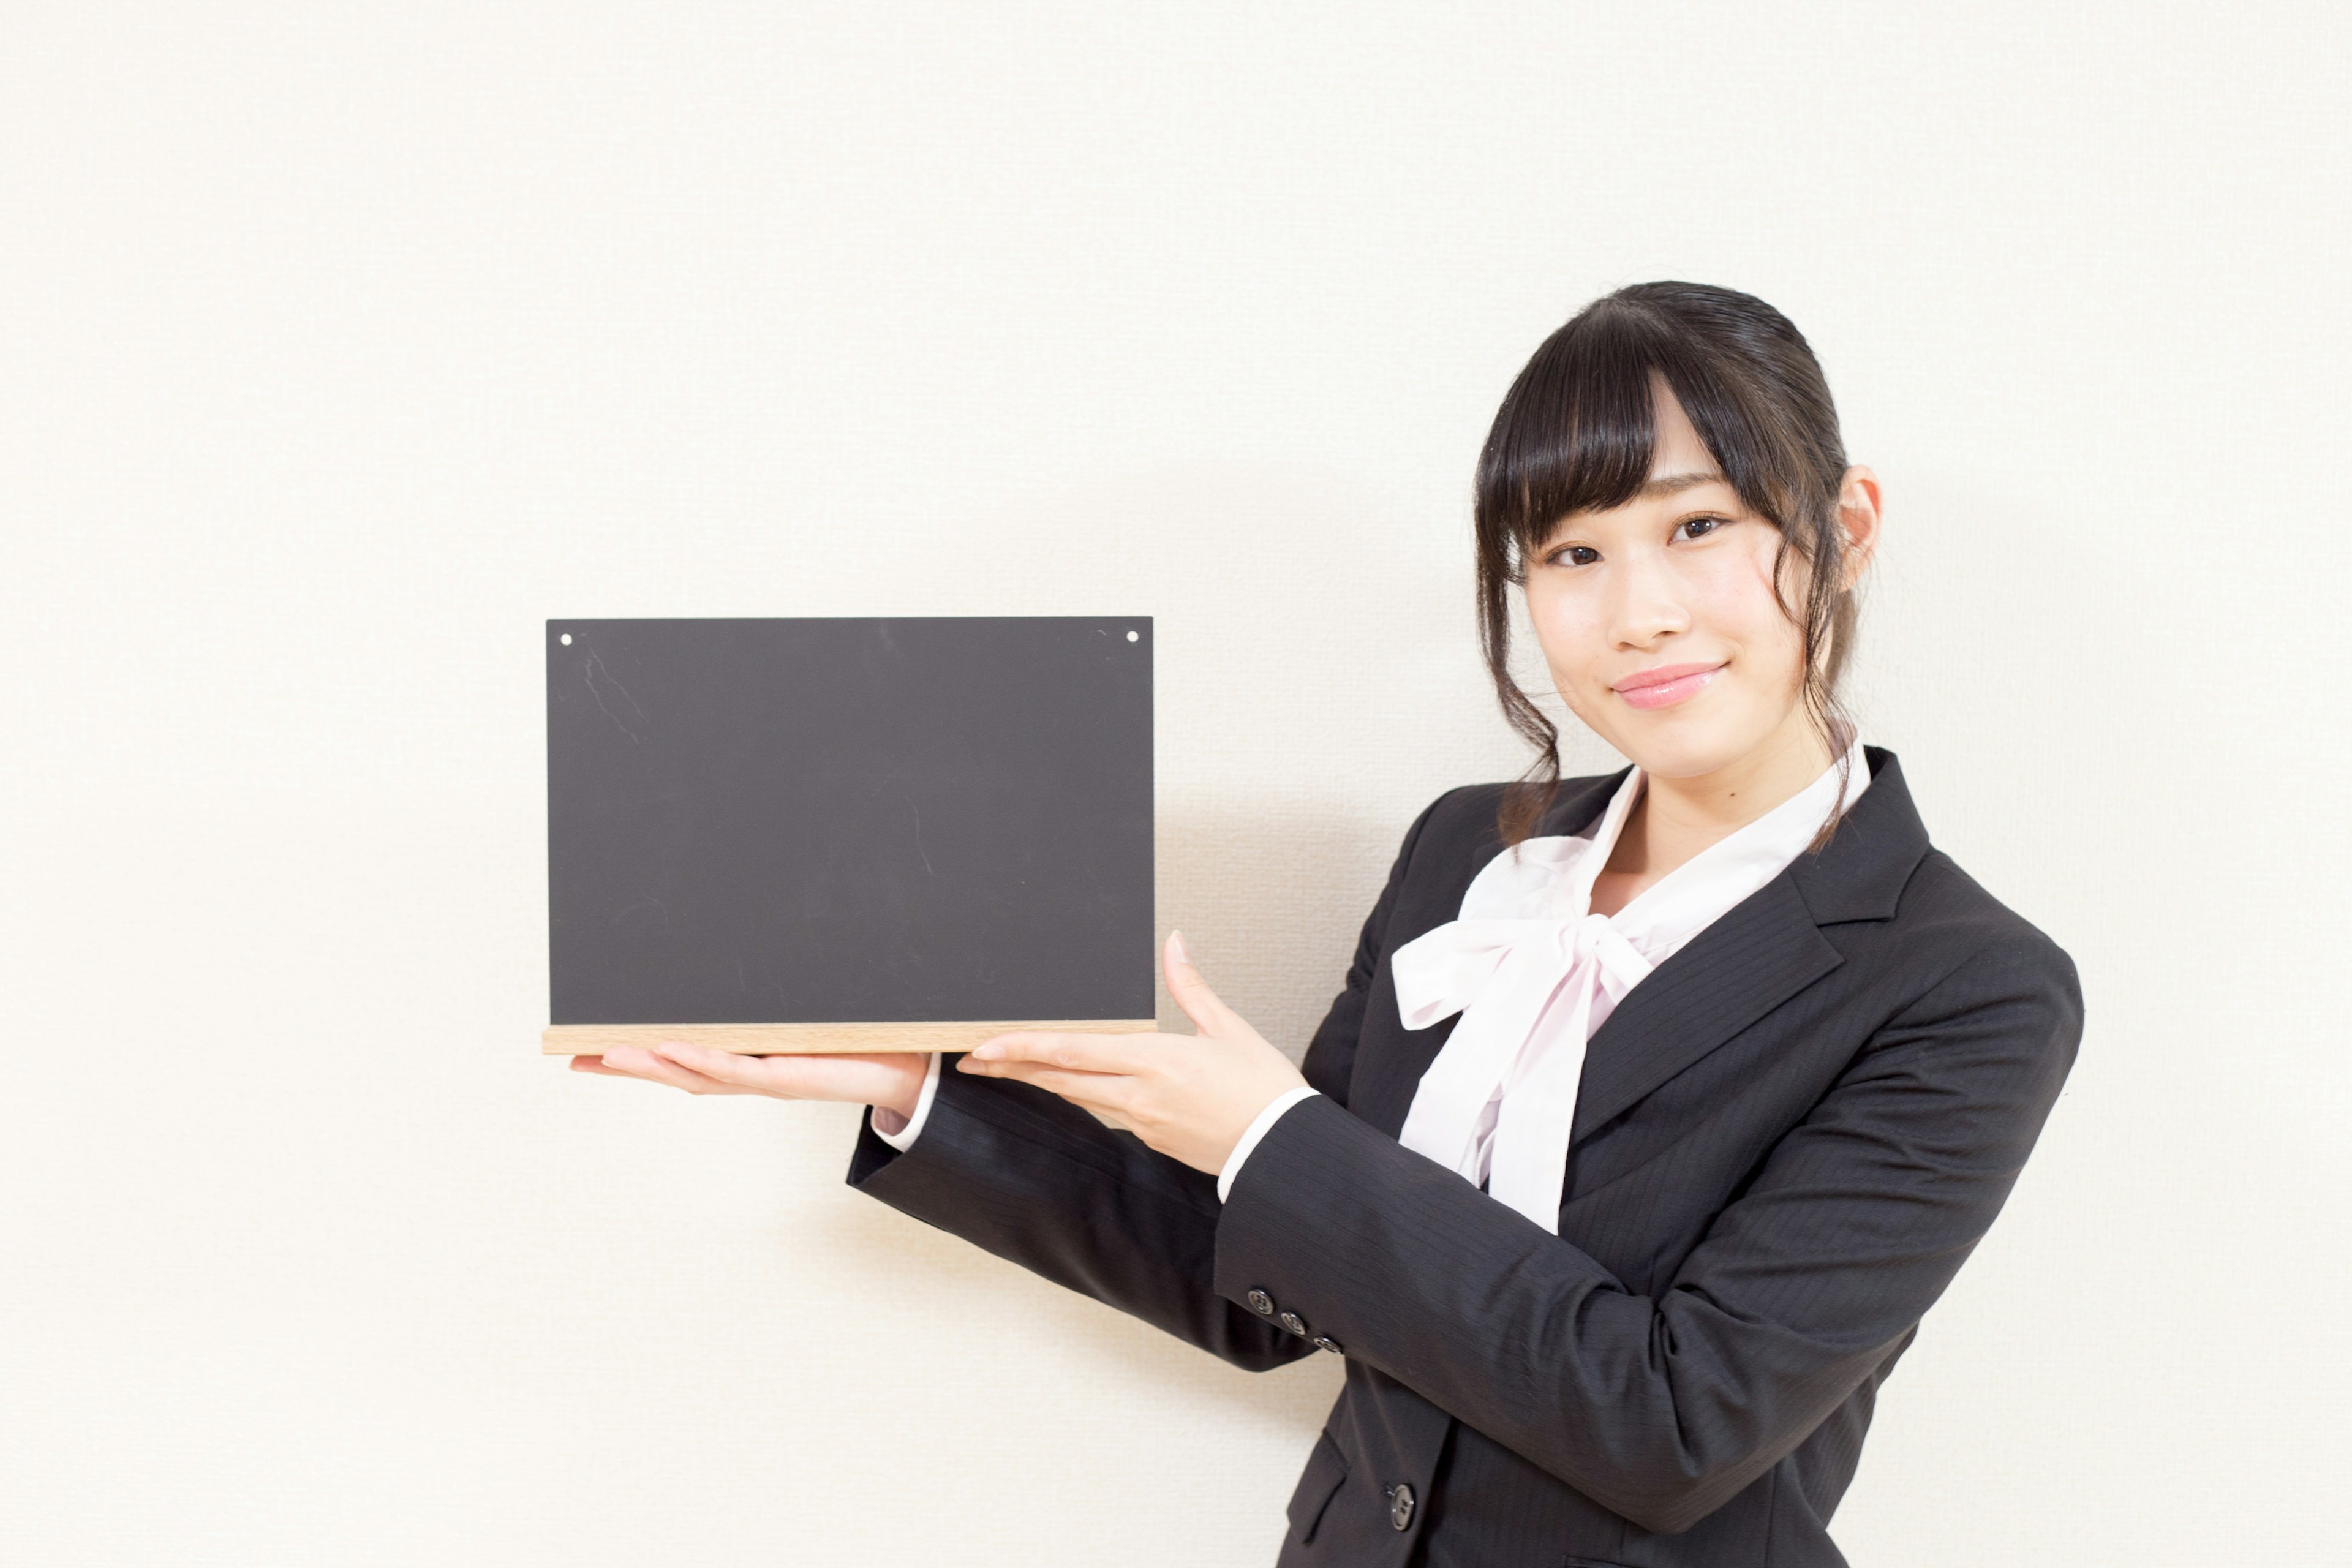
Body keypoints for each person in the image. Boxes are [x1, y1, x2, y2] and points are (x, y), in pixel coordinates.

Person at [575, 281, 2083, 1567]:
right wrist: (916, 1089)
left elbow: (1676, 1418)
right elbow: (1268, 1287)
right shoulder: (1465, 854)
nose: (1639, 613)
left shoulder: (1965, 984)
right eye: (1572, 553)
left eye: (1699, 525)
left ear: (1845, 525)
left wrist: (1272, 1133)